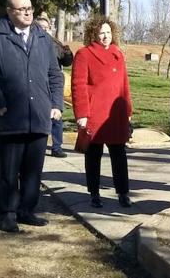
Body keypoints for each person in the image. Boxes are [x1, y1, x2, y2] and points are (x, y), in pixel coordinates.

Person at [0, 0, 64, 233]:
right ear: (9, 11)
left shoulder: (42, 38)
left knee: (33, 170)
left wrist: (56, 104)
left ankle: (27, 210)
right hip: (10, 116)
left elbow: (54, 75)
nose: (28, 12)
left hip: (39, 115)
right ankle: (6, 213)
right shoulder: (1, 36)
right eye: (21, 9)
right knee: (7, 170)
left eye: (30, 8)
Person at [71, 17, 133, 209]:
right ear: (93, 34)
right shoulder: (84, 54)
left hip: (116, 115)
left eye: (108, 32)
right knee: (93, 155)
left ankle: (123, 193)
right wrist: (82, 114)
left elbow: (124, 85)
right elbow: (78, 85)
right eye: (101, 33)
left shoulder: (118, 54)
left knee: (119, 155)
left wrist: (128, 110)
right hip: (94, 113)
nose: (105, 37)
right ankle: (94, 193)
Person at [36, 12, 73, 158]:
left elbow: (67, 62)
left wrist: (68, 54)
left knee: (56, 117)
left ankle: (57, 147)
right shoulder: (31, 42)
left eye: (46, 27)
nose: (44, 30)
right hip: (38, 85)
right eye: (41, 27)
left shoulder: (54, 43)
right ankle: (39, 146)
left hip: (54, 85)